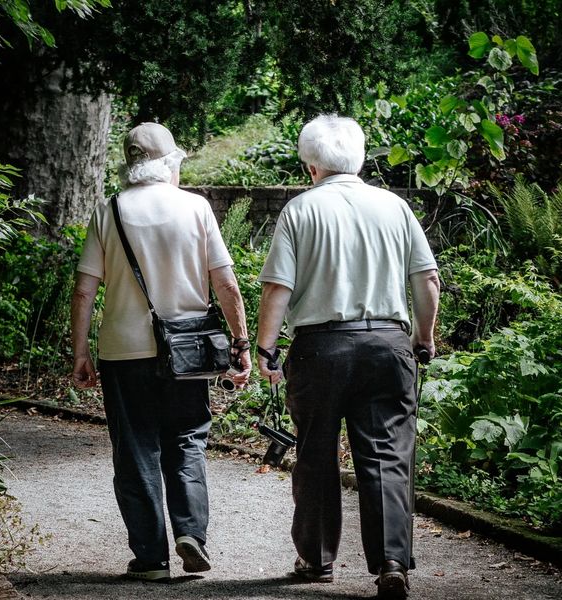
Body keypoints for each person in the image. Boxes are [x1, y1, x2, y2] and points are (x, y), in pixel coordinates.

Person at [256, 114, 439, 599]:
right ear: (358, 158)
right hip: (387, 343)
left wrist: (266, 348)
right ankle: (391, 563)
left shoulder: (300, 210)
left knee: (315, 452)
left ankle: (316, 561)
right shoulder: (395, 207)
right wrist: (424, 337)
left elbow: (278, 288)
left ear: (310, 165)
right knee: (386, 456)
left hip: (320, 348)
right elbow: (427, 280)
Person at [71, 122, 251, 581]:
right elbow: (225, 283)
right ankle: (191, 532)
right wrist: (240, 343)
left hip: (123, 352)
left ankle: (150, 558)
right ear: (170, 162)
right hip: (188, 350)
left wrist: (80, 352)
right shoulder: (196, 207)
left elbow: (84, 291)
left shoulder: (108, 211)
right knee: (188, 439)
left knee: (135, 450)